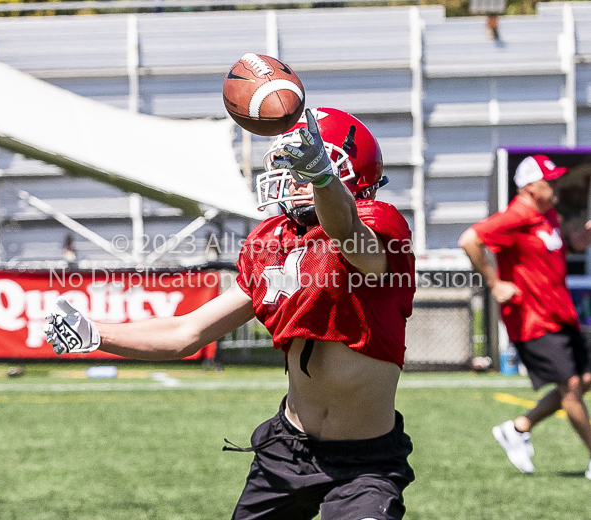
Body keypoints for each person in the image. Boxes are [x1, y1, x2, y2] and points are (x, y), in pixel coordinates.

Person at [45, 107, 417, 519]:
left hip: (364, 463)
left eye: (304, 168)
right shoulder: (273, 241)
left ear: (348, 174)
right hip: (287, 448)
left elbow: (346, 232)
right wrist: (97, 333)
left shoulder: (378, 224)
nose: (292, 179)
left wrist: (322, 177)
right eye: (293, 168)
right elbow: (187, 332)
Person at [458, 154, 591, 479]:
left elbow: (549, 253)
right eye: (551, 180)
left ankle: (519, 427)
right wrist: (494, 283)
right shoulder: (516, 214)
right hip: (533, 320)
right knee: (571, 386)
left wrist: (577, 244)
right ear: (531, 187)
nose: (557, 185)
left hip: (560, 317)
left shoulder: (547, 217)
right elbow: (470, 239)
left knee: (584, 379)